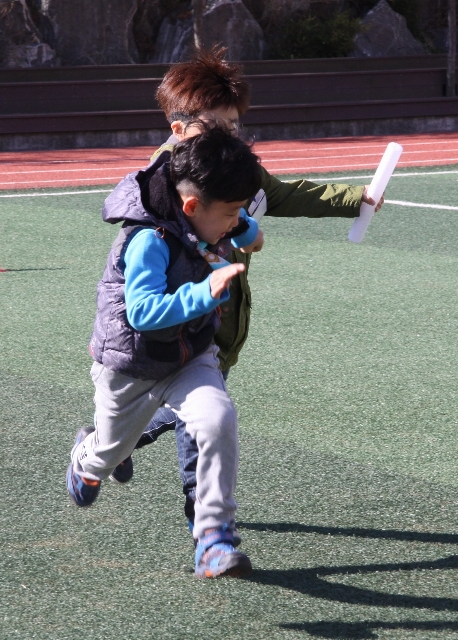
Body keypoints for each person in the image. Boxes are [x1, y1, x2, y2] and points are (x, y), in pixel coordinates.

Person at [115, 46, 386, 533]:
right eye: (214, 127)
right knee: (199, 415)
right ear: (179, 129)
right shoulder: (162, 184)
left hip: (223, 315)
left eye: (234, 128)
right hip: (179, 322)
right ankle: (204, 515)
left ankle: (114, 441)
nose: (227, 138)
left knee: (186, 410)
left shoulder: (235, 167)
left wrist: (353, 199)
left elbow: (278, 195)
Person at [67, 127, 264, 579]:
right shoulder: (148, 241)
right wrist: (204, 293)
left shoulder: (206, 217)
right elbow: (143, 313)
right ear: (192, 206)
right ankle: (87, 458)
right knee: (110, 452)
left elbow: (237, 229)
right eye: (231, 212)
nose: (234, 222)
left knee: (216, 419)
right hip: (131, 366)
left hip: (189, 356)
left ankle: (213, 537)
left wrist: (247, 228)